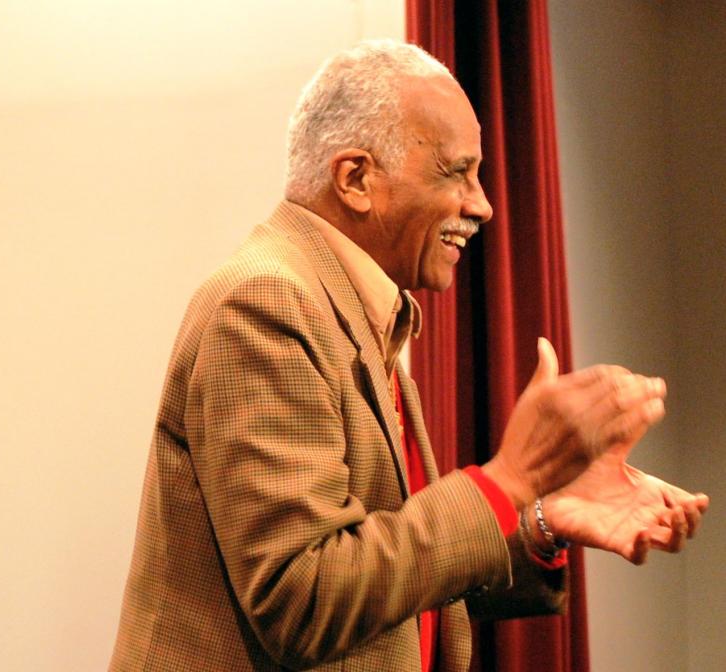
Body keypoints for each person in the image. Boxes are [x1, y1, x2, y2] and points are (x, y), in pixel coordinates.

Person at [109, 40, 708, 672]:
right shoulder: (265, 303)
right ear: (356, 179)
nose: (483, 205)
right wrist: (504, 482)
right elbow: (304, 599)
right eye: (457, 172)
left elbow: (387, 575)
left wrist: (535, 516)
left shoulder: (357, 309)